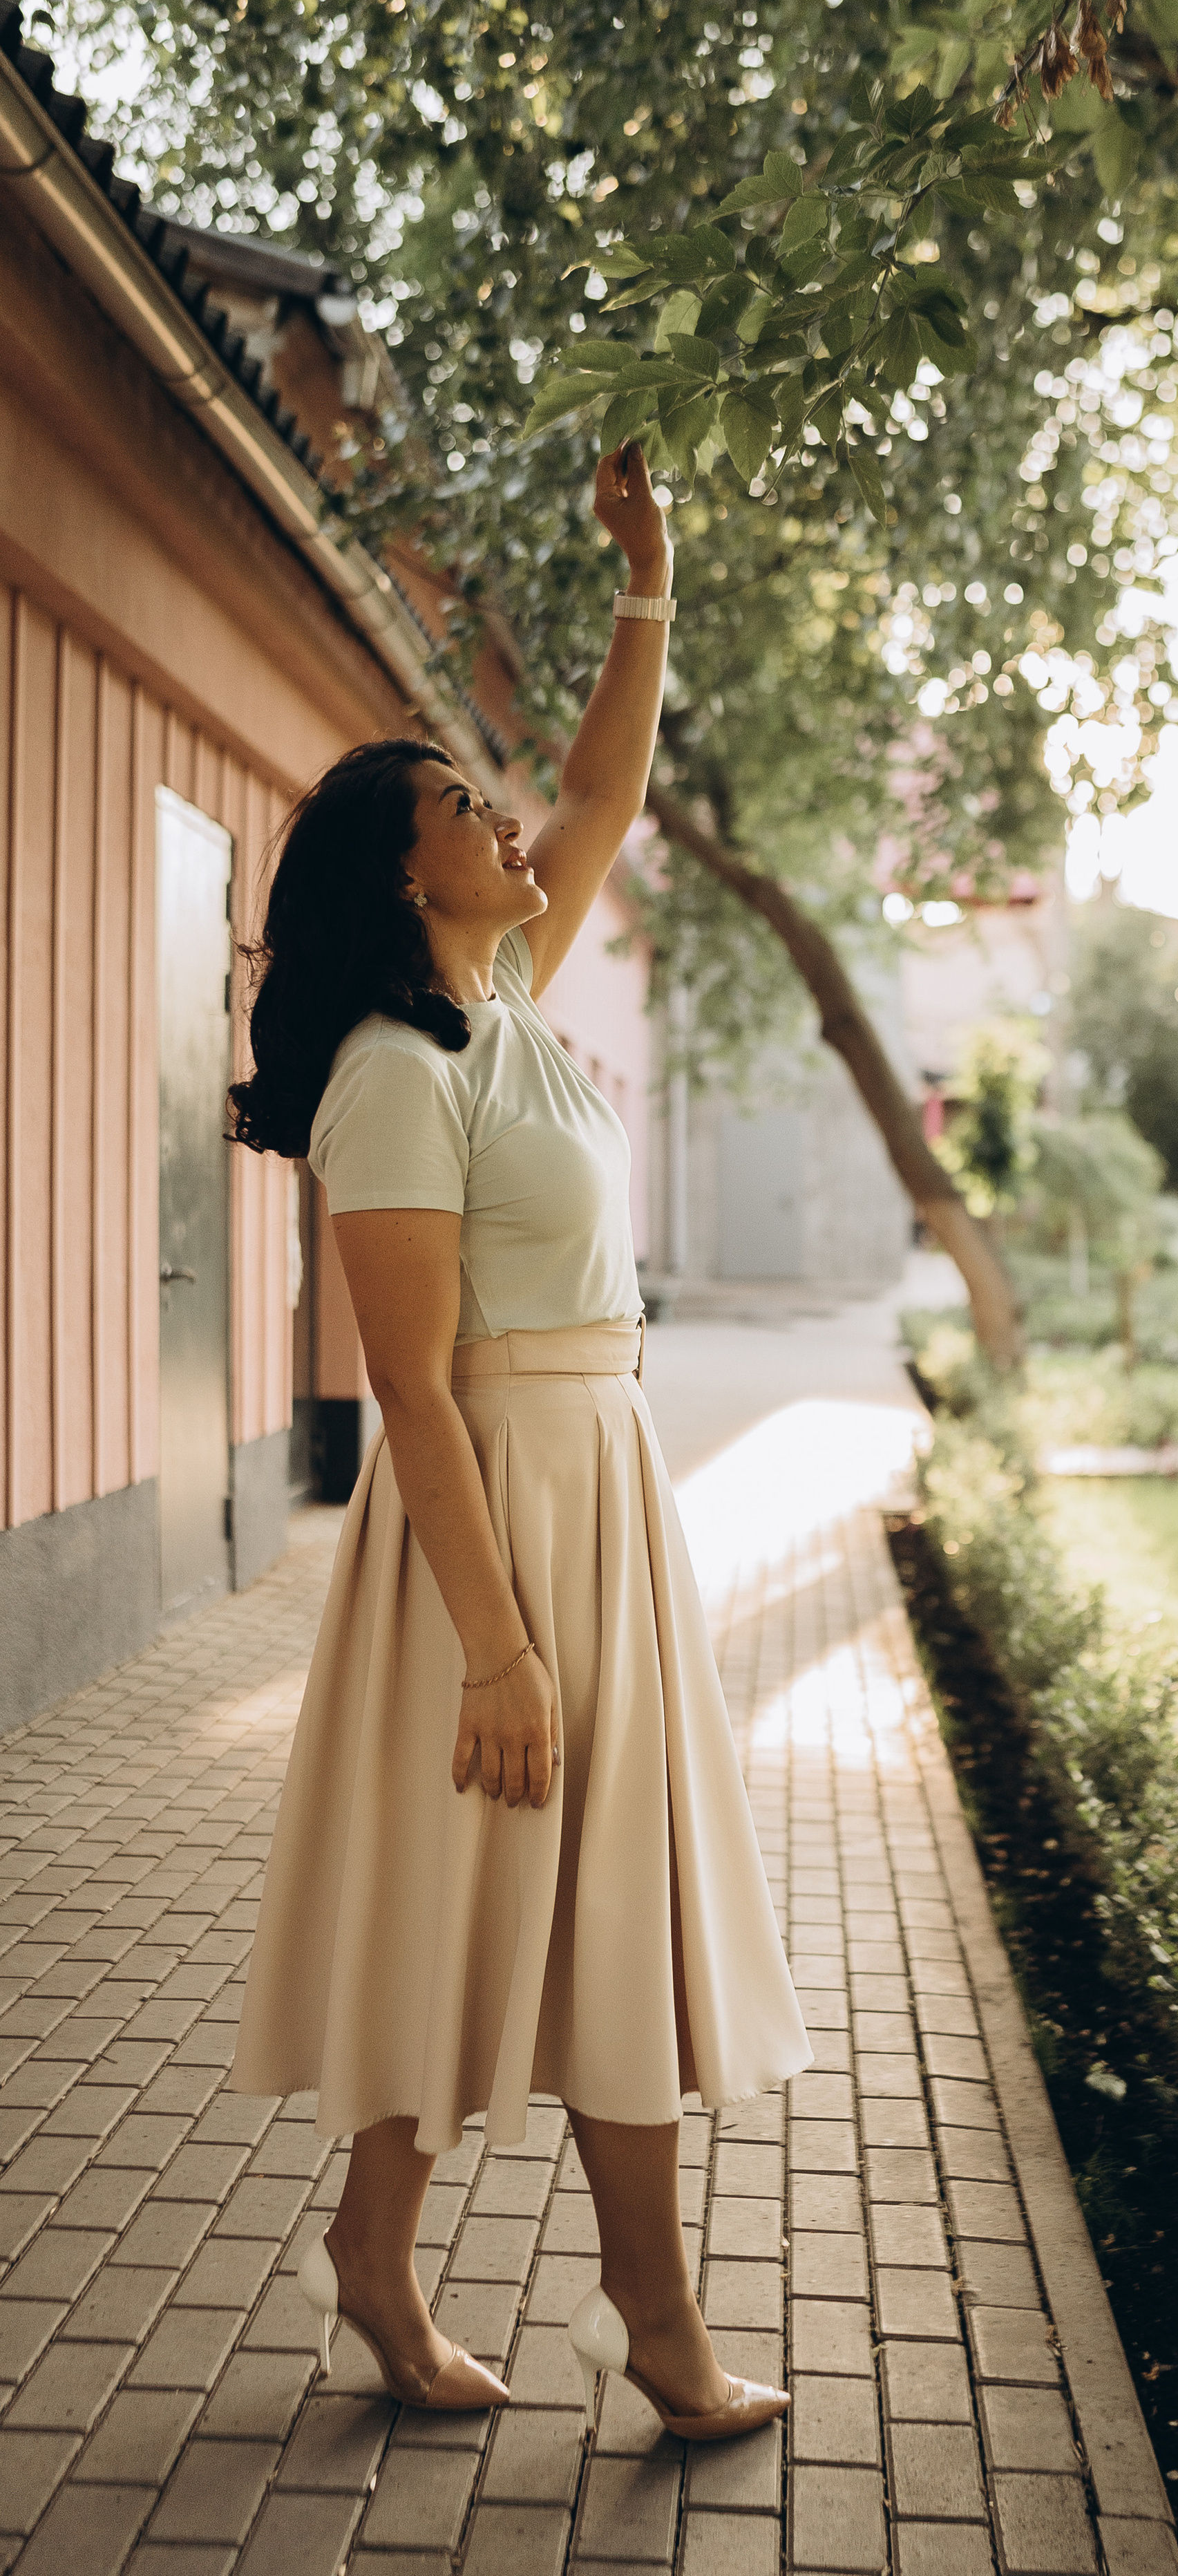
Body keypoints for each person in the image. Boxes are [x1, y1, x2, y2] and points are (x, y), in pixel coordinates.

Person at [226, 447, 810, 2437]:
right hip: (493, 1536)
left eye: (495, 792)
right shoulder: (396, 1075)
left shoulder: (516, 1009)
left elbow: (609, 789)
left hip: (601, 1498)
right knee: (503, 1901)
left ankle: (411, 2266)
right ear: (410, 870)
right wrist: (494, 1644)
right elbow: (410, 1387)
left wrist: (655, 576)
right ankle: (614, 2321)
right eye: (465, 806)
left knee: (553, 1908)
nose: (509, 814)